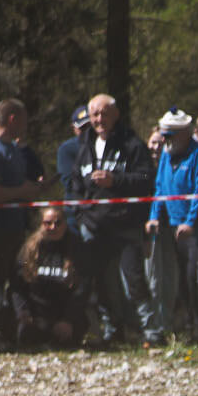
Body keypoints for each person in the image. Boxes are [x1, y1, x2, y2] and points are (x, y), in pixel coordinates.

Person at [67, 93, 159, 346]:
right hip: (94, 226)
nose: (99, 119)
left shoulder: (132, 144)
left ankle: (151, 331)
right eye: (95, 114)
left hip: (125, 224)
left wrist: (115, 180)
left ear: (116, 115)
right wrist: (81, 215)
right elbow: (75, 185)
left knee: (134, 279)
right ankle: (112, 330)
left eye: (104, 114)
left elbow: (146, 178)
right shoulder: (84, 145)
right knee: (101, 282)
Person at [147, 106, 198, 342]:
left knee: (194, 277)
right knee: (180, 279)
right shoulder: (166, 154)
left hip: (194, 227)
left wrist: (190, 222)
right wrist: (154, 216)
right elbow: (160, 188)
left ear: (184, 133)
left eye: (169, 135)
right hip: (172, 225)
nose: (165, 140)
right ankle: (187, 327)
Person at [0, 97, 44, 289]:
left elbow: (15, 181)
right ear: (13, 119)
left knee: (20, 281)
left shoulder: (12, 147)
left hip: (15, 226)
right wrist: (22, 191)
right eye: (24, 121)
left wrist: (33, 187)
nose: (26, 127)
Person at [9, 205, 92, 348]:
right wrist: (23, 314)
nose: (53, 227)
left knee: (67, 339)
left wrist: (68, 319)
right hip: (36, 315)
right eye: (48, 223)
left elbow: (83, 289)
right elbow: (17, 287)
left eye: (58, 223)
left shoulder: (77, 248)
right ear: (41, 224)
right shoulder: (28, 250)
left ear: (65, 224)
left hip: (64, 315)